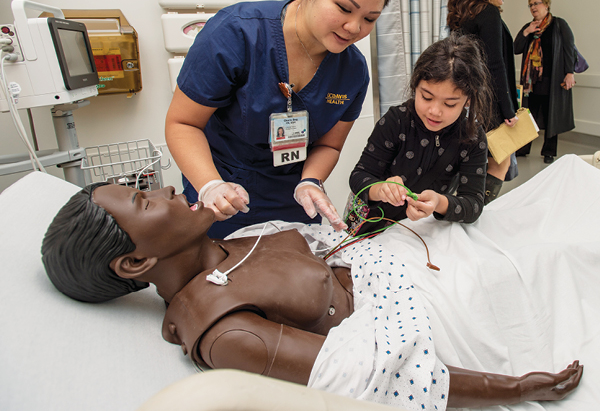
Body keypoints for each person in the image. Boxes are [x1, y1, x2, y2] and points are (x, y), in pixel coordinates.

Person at [41, 182, 583, 410]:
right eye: (143, 199)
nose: (165, 189)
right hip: (436, 305)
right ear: (135, 262)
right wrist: (517, 388)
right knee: (550, 255)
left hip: (399, 262)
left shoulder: (226, 244)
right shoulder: (229, 332)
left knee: (533, 224)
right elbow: (388, 377)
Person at [165, 0, 401, 238]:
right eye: (344, 8)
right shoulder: (237, 34)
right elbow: (183, 124)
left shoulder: (353, 72)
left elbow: (329, 147)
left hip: (294, 201)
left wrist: (310, 181)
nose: (354, 28)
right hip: (224, 195)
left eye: (370, 18)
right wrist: (210, 186)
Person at [348, 34, 492, 230]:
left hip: (419, 232)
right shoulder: (396, 121)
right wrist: (381, 189)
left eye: (449, 104)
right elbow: (359, 176)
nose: (435, 111)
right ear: (415, 86)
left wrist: (439, 202)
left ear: (468, 100)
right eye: (426, 97)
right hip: (369, 226)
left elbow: (474, 204)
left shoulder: (472, 137)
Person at [447, 0, 519, 204]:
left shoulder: (461, 17)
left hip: (468, 100)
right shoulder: (488, 13)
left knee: (475, 161)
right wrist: (509, 110)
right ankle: (474, 211)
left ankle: (464, 208)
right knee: (500, 159)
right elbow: (495, 64)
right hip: (489, 103)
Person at [514, 0, 575, 163]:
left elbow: (569, 48)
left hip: (553, 80)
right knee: (528, 116)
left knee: (550, 117)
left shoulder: (558, 25)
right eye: (531, 5)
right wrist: (527, 31)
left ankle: (548, 152)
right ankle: (524, 148)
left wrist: (569, 72)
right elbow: (516, 48)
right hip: (531, 83)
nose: (533, 7)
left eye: (536, 3)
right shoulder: (530, 27)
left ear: (546, 5)